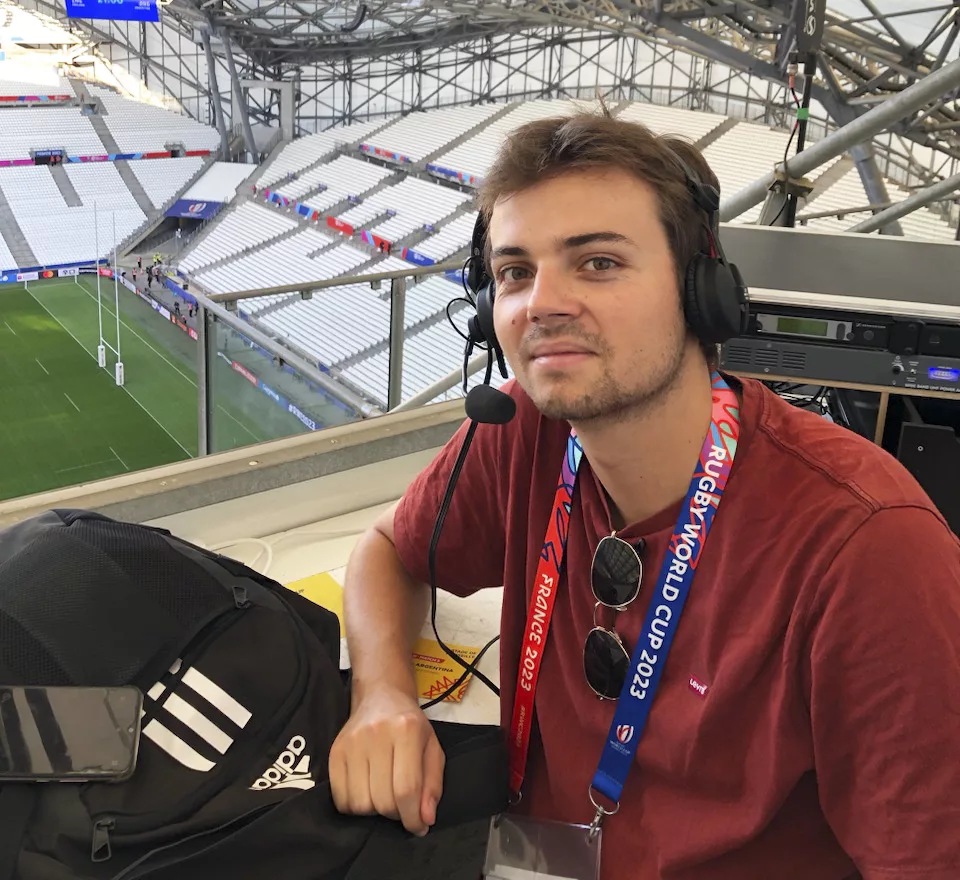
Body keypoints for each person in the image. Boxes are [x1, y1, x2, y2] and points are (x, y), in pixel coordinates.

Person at [328, 107, 960, 879]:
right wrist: (382, 692)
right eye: (514, 272)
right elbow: (388, 548)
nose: (540, 303)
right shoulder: (525, 428)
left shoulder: (868, 549)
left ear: (701, 290)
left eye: (597, 262)